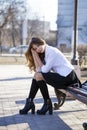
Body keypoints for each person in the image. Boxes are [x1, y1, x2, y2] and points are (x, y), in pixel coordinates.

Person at [19, 37, 81, 115]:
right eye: (35, 49)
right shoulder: (46, 52)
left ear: (43, 43)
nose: (38, 49)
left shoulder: (52, 52)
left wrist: (37, 56)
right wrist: (34, 55)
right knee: (36, 75)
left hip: (68, 77)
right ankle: (30, 101)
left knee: (38, 76)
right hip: (63, 76)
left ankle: (46, 103)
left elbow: (44, 71)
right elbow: (39, 70)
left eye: (38, 46)